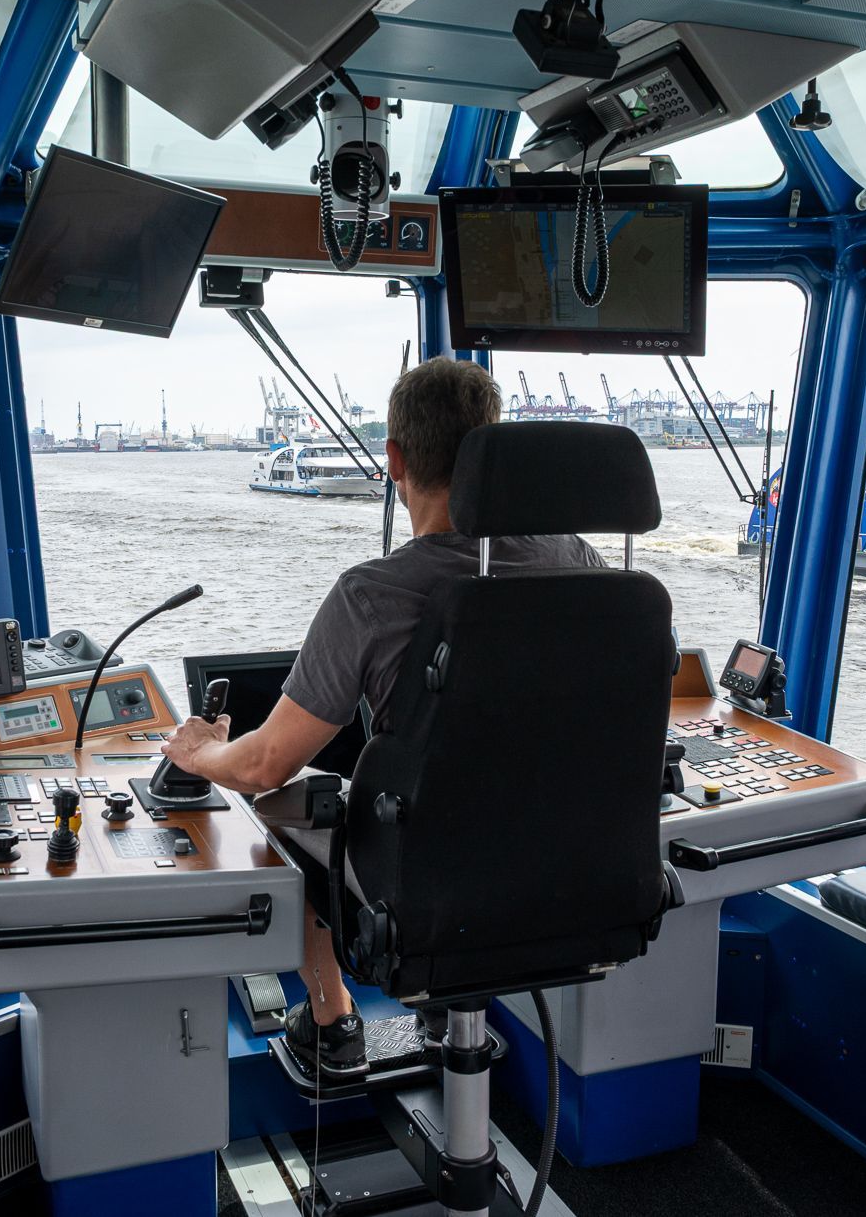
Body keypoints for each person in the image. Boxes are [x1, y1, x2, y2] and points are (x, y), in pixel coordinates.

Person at [159, 357, 604, 1077]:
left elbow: (263, 764)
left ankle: (333, 1021)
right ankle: (445, 1010)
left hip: (432, 888)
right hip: (572, 878)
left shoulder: (373, 594)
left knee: (276, 805)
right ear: (493, 451)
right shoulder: (582, 559)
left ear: (393, 458)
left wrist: (202, 750)